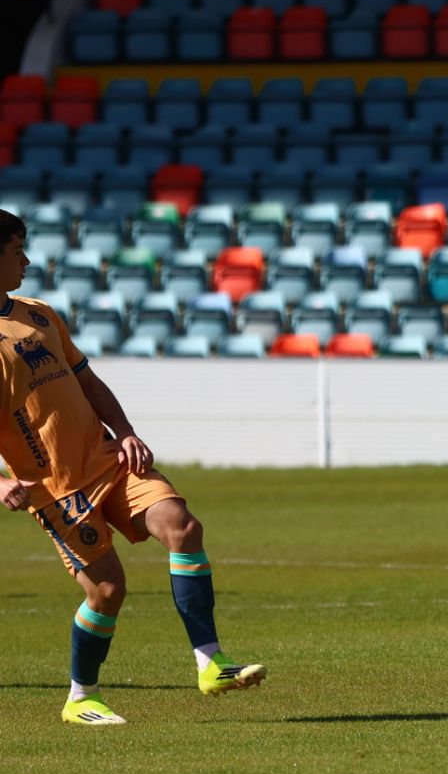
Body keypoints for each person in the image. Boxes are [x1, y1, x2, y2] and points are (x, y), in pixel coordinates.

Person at [0, 209, 266, 725]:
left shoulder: (38, 313)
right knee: (106, 591)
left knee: (183, 528)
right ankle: (81, 698)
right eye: (16, 252)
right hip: (56, 489)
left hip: (108, 461)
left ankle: (211, 663)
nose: (28, 261)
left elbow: (88, 382)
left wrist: (125, 432)